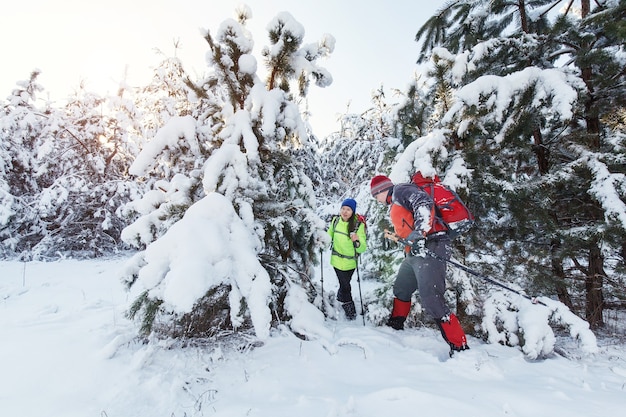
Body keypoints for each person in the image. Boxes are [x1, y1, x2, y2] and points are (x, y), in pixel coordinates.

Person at [370, 175, 469, 352]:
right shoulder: (396, 201)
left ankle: (459, 346)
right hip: (415, 253)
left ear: (381, 190)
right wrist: (398, 238)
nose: (376, 200)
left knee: (432, 298)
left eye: (375, 196)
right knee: (402, 287)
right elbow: (408, 225)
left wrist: (420, 233)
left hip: (432, 245)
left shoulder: (400, 190)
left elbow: (423, 203)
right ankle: (395, 327)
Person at [327, 198, 367, 320]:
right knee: (345, 286)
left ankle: (340, 299)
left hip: (350, 262)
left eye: (348, 209)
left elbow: (362, 248)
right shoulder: (335, 221)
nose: (345, 212)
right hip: (336, 260)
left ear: (353, 211)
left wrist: (357, 241)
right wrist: (321, 240)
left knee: (344, 284)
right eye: (343, 209)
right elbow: (329, 235)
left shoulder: (357, 225)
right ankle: (351, 311)